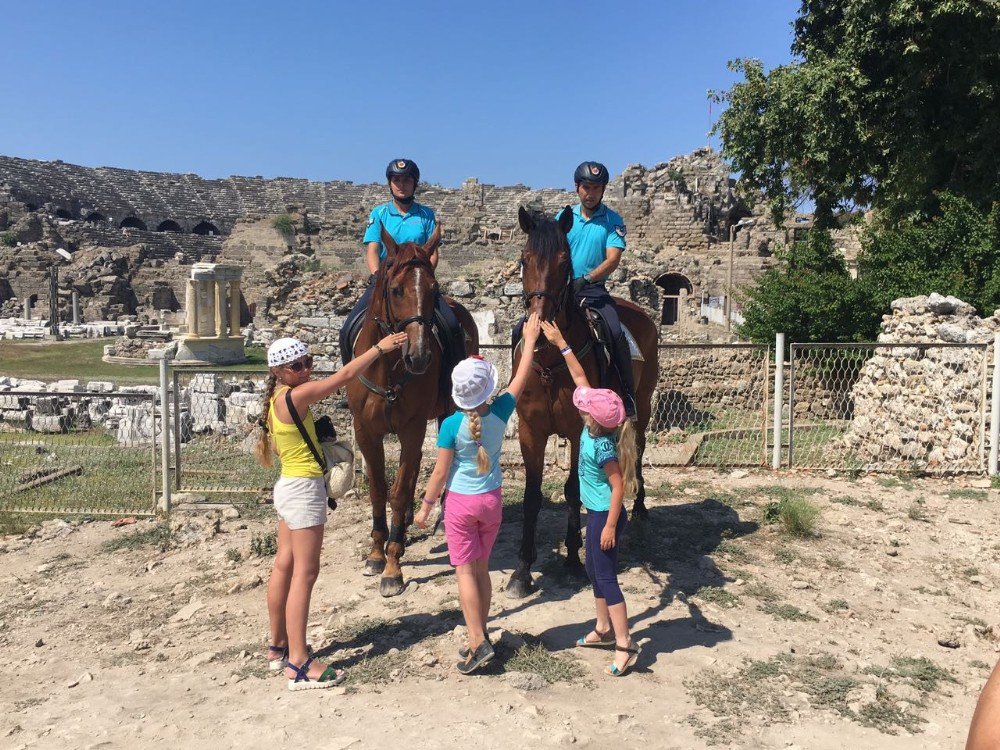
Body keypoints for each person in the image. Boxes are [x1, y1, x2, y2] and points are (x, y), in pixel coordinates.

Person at [255, 331, 407, 691]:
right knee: (305, 574)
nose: (306, 370)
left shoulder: (276, 398)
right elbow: (341, 378)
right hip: (304, 490)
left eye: (308, 363)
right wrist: (378, 349)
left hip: (288, 486)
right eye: (297, 366)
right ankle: (299, 663)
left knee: (284, 565)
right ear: (279, 371)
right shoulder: (297, 395)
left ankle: (277, 648)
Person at [414, 313, 542, 674]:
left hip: (459, 504)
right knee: (482, 569)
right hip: (492, 501)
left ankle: (476, 642)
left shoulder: (452, 425)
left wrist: (425, 509)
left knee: (464, 574)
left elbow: (440, 472)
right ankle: (481, 632)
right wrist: (529, 340)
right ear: (488, 390)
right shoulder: (501, 412)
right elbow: (520, 376)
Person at [538, 318, 642, 676]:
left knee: (607, 577)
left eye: (583, 407)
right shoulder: (595, 427)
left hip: (604, 516)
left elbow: (618, 488)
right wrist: (561, 341)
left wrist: (610, 525)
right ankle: (602, 628)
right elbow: (581, 379)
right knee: (594, 571)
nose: (578, 405)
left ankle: (625, 644)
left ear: (591, 419)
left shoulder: (601, 447)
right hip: (596, 514)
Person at [514, 161, 637, 418]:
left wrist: (588, 278)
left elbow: (613, 258)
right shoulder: (564, 217)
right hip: (560, 290)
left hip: (593, 290)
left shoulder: (612, 221)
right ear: (577, 188)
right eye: (586, 187)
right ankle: (517, 385)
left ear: (603, 190)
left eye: (596, 188)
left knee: (615, 331)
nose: (590, 193)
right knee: (519, 329)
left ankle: (627, 394)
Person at [338, 158, 465, 373]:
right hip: (387, 279)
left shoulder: (426, 215)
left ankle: (452, 383)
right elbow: (372, 249)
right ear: (390, 183)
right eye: (396, 180)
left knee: (452, 326)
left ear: (414, 183)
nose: (401, 184)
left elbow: (433, 253)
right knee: (347, 330)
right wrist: (377, 274)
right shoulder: (379, 214)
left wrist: (423, 277)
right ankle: (350, 380)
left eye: (406, 180)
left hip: (418, 281)